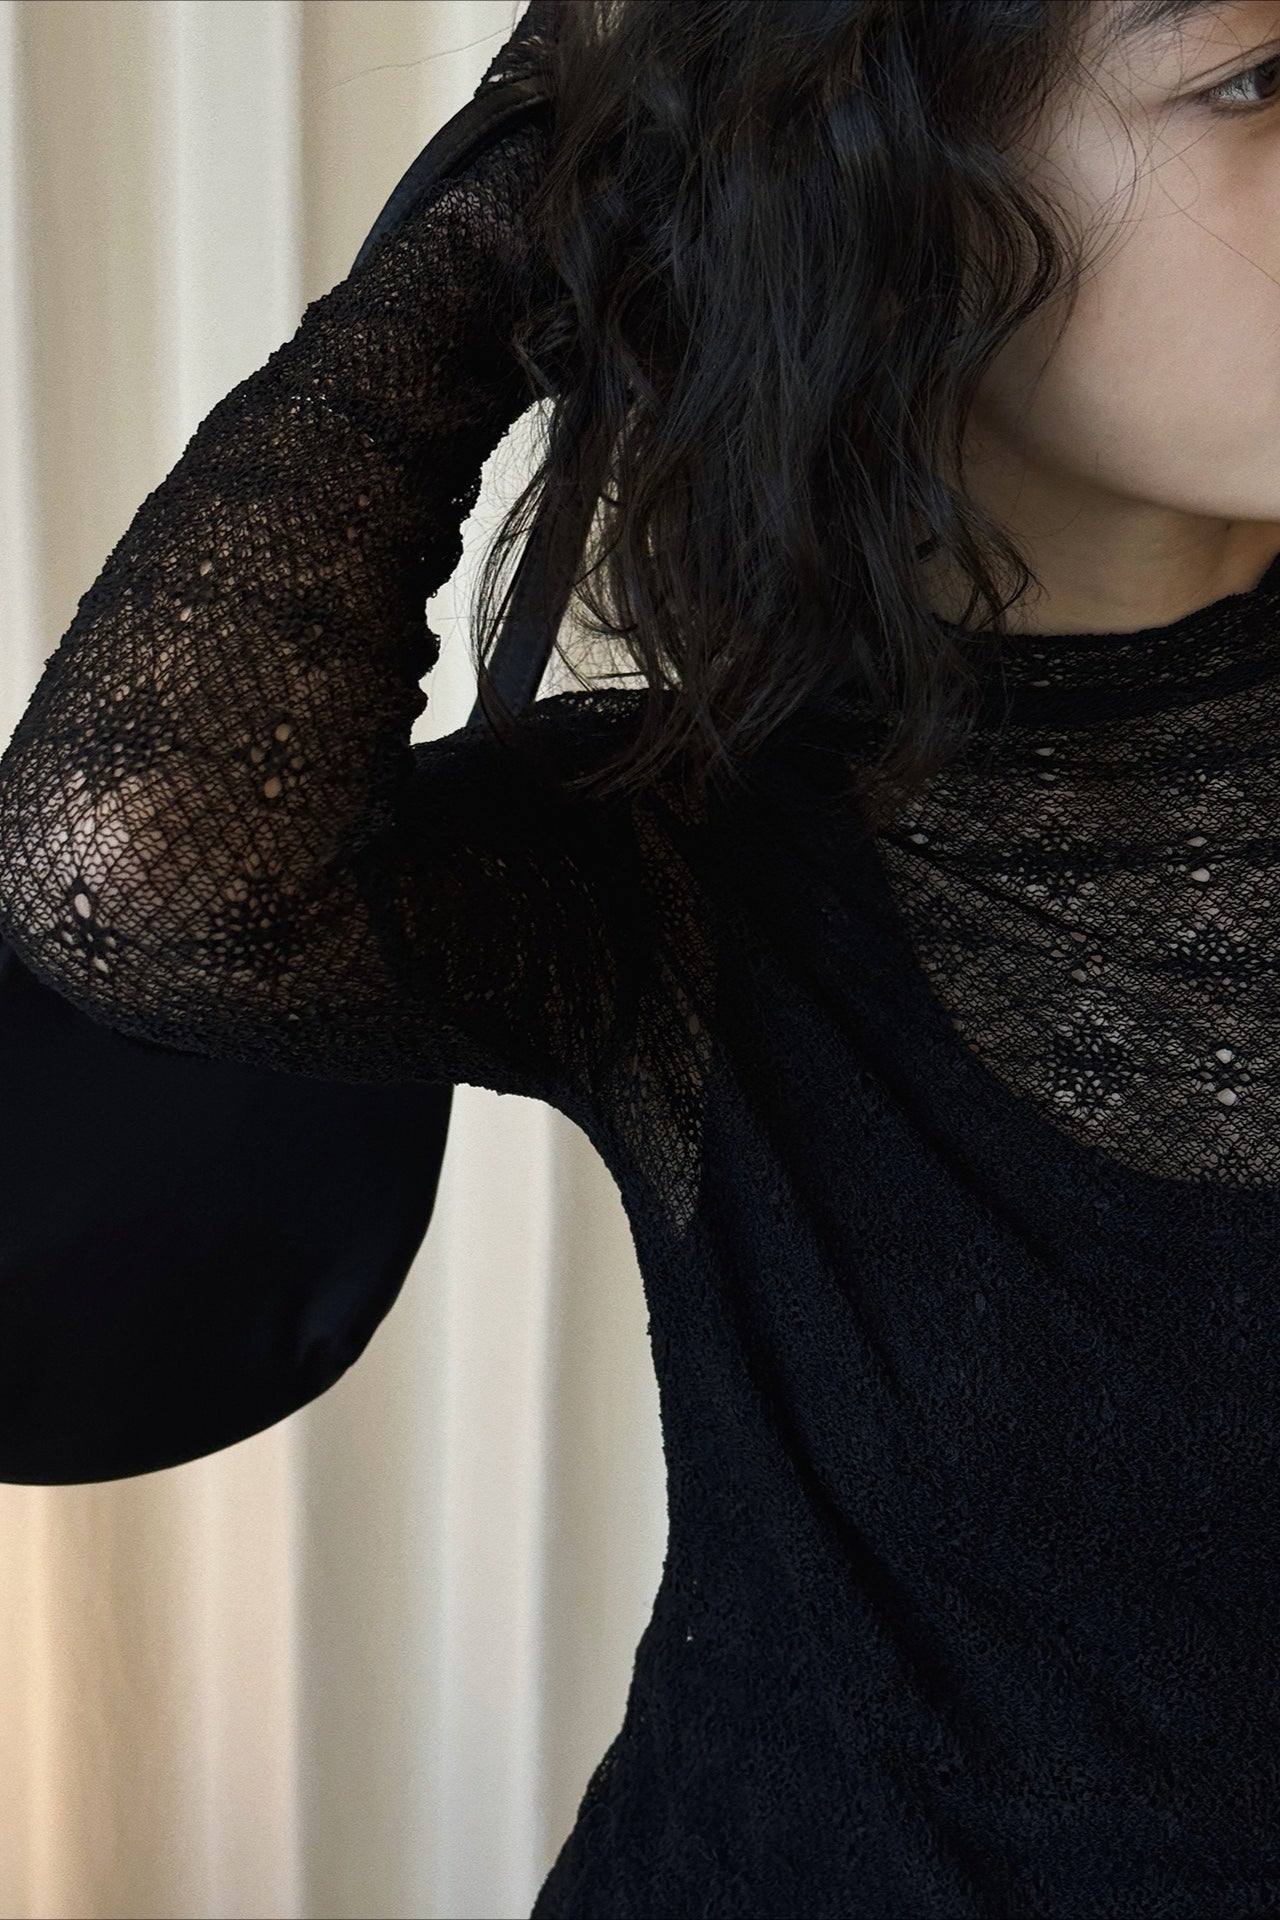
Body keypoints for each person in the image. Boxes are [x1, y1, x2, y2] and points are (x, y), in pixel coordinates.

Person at [3, 0, 1280, 1911]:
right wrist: (530, 183)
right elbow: (130, 870)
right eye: (1255, 80)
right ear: (882, 191)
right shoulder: (672, 848)